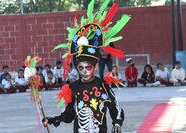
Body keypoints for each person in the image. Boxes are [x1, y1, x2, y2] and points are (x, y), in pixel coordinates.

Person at [41, 0, 130, 132]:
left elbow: (115, 107)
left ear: (94, 66)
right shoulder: (73, 87)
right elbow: (69, 114)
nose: (84, 72)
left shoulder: (103, 86)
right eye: (81, 68)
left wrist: (117, 123)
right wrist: (53, 119)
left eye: (88, 68)